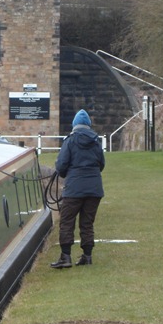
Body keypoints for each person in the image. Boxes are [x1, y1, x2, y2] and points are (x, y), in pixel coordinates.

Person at [50, 109, 105, 268]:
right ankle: (87, 256)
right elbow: (101, 164)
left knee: (67, 221)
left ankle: (65, 257)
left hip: (74, 188)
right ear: (88, 125)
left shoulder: (70, 141)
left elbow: (61, 166)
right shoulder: (96, 142)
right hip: (94, 189)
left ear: (74, 125)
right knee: (87, 223)